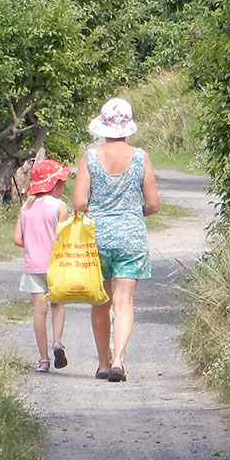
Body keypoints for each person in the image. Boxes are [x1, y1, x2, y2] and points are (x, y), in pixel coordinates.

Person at [72, 97, 160, 382]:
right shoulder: (140, 157)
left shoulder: (90, 156)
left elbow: (79, 202)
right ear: (127, 127)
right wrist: (136, 212)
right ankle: (119, 360)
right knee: (124, 303)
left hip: (97, 237)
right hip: (131, 236)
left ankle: (102, 363)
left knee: (101, 302)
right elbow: (154, 204)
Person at [13, 157, 71, 372]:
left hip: (33, 265)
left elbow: (18, 239)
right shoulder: (59, 207)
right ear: (54, 185)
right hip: (56, 265)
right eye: (61, 184)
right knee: (58, 304)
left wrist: (34, 247)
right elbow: (64, 238)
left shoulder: (26, 207)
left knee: (39, 310)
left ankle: (43, 359)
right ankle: (57, 342)